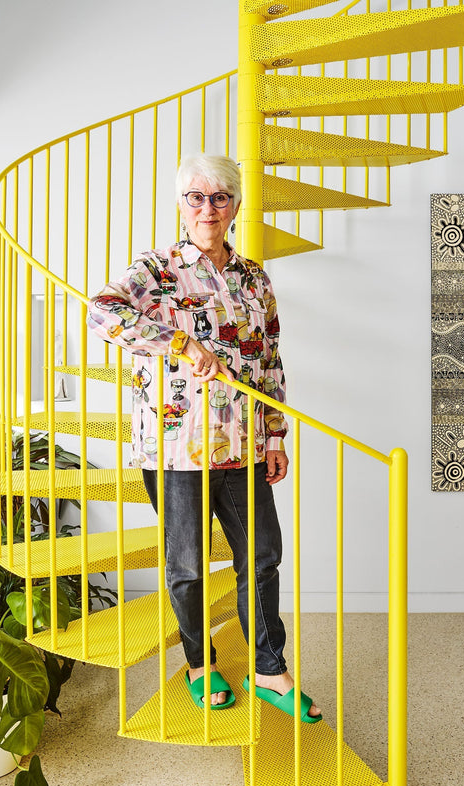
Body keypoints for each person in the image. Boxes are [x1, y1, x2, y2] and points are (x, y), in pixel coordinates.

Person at [87, 154, 320, 722]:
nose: (207, 208)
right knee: (187, 568)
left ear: (236, 206)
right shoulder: (156, 271)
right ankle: (198, 663)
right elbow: (100, 313)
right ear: (180, 205)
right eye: (196, 197)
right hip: (174, 451)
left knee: (263, 556)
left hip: (241, 446)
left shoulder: (254, 279)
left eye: (219, 198)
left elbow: (268, 362)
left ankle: (270, 667)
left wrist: (275, 437)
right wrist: (182, 344)